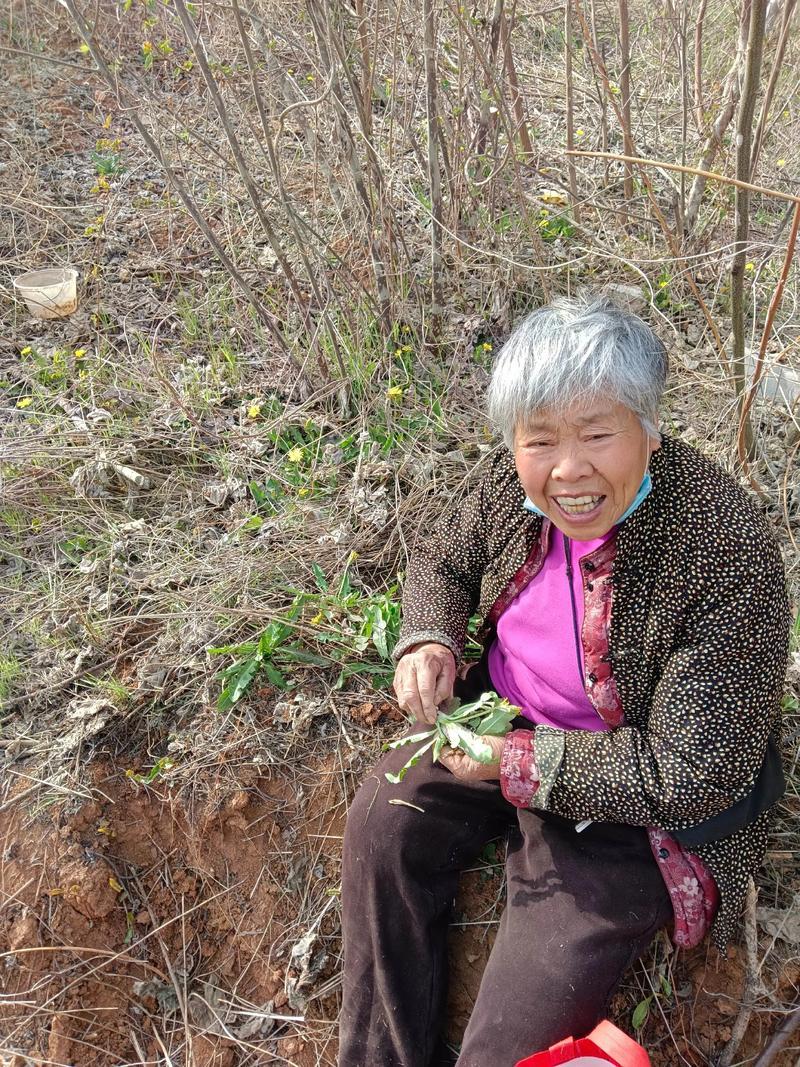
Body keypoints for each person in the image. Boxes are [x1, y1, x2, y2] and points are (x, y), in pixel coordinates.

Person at [338, 295, 789, 1067]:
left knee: (508, 1045)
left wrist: (519, 762)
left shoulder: (724, 548)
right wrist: (429, 636)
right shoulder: (510, 488)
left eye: (598, 434)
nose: (568, 469)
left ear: (648, 428)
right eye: (540, 439)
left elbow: (693, 772)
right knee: (386, 818)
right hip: (496, 719)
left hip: (632, 815)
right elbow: (443, 558)